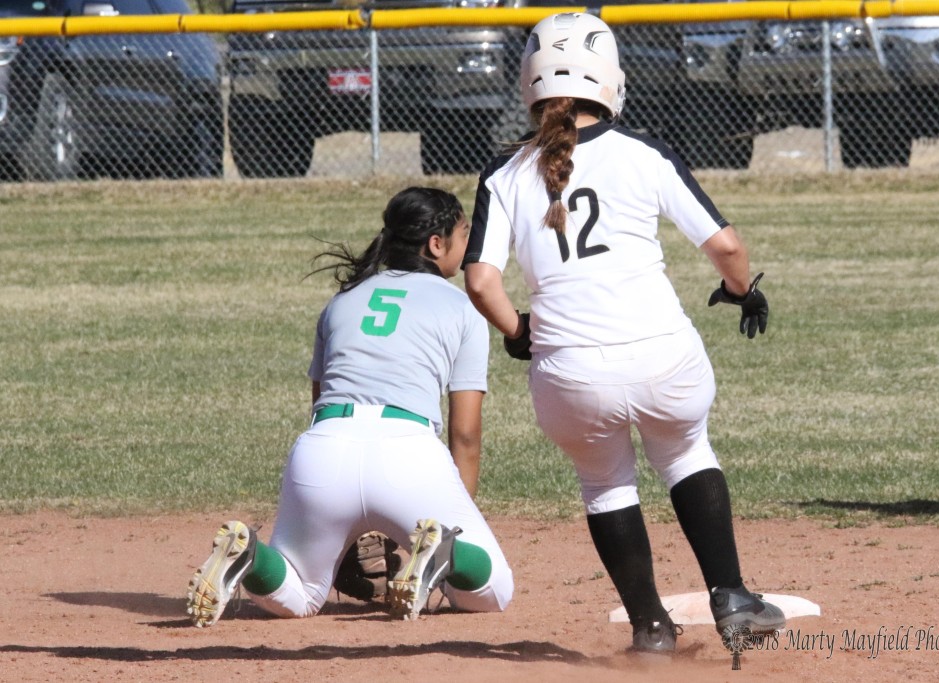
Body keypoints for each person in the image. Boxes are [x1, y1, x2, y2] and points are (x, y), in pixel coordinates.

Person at [462, 13, 783, 654]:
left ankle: (651, 629)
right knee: (687, 454)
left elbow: (478, 280)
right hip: (663, 354)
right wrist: (744, 291)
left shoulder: (504, 175)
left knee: (606, 484)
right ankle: (732, 595)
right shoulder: (644, 153)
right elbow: (726, 247)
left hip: (571, 371)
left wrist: (518, 329)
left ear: (527, 83)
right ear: (611, 81)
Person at [187, 187, 513, 627]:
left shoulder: (341, 301)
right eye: (462, 233)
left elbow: (319, 402)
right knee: (491, 591)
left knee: (299, 595)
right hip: (408, 452)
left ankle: (251, 556)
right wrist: (451, 522)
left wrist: (348, 521)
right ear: (436, 245)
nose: (466, 243)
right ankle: (446, 552)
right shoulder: (464, 308)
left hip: (323, 449)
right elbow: (466, 435)